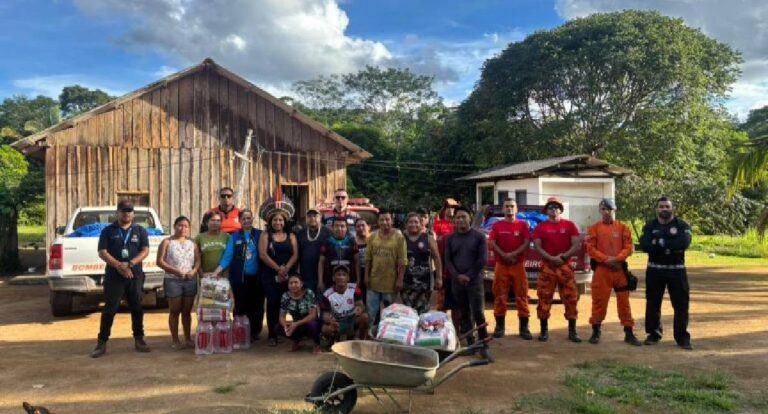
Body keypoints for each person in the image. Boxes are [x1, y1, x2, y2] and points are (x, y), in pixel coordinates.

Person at [91, 199, 151, 358]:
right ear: (117, 212)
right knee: (110, 308)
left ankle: (139, 339)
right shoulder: (108, 231)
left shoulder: (140, 230)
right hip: (114, 275)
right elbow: (102, 252)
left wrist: (130, 264)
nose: (126, 213)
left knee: (137, 307)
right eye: (123, 210)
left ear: (133, 214)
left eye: (129, 210)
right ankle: (101, 342)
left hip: (134, 274)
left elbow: (145, 251)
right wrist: (119, 266)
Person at [586, 199, 642, 346]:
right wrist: (605, 259)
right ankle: (596, 331)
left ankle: (629, 332)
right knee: (599, 302)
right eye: (603, 209)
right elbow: (590, 249)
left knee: (624, 302)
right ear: (599, 211)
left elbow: (629, 247)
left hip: (619, 270)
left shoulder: (623, 227)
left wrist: (617, 259)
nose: (606, 212)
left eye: (609, 209)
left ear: (614, 210)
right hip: (602, 270)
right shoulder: (594, 228)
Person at [640, 196, 693, 350]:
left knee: (681, 305)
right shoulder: (650, 226)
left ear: (672, 208)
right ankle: (654, 334)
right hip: (655, 270)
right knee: (653, 303)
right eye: (661, 206)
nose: (664, 209)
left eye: (667, 206)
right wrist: (669, 245)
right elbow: (645, 245)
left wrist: (659, 242)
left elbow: (683, 243)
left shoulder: (682, 225)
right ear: (657, 209)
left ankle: (682, 337)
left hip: (676, 271)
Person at [532, 196, 582, 343]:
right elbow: (537, 246)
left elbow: (576, 245)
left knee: (571, 298)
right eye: (550, 207)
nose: (553, 210)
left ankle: (572, 331)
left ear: (561, 210)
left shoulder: (570, 225)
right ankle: (543, 331)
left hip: (565, 266)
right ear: (546, 211)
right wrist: (550, 257)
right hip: (547, 267)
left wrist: (562, 257)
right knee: (544, 298)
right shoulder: (541, 227)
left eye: (556, 207)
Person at [213, 209, 263, 342]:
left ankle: (254, 332)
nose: (246, 220)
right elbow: (227, 257)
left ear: (252, 219)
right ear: (239, 221)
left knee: (257, 306)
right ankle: (240, 331)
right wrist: (216, 272)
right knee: (240, 305)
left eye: (249, 218)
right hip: (239, 278)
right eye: (244, 218)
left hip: (257, 277)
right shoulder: (234, 237)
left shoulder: (260, 234)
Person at [444, 206, 489, 346]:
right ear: (454, 221)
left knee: (478, 313)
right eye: (458, 217)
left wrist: (468, 276)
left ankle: (483, 342)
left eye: (464, 217)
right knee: (464, 314)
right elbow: (448, 260)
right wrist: (457, 276)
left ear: (470, 218)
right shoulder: (450, 238)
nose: (461, 220)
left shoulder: (479, 237)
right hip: (457, 283)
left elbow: (482, 260)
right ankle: (470, 343)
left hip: (474, 281)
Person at [488, 199, 532, 340]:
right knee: (500, 296)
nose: (509, 209)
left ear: (516, 209)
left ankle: (524, 328)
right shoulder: (497, 225)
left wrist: (512, 255)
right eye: (507, 206)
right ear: (503, 209)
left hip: (518, 265)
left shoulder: (523, 225)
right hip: (501, 265)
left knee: (522, 295)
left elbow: (526, 243)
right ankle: (499, 327)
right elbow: (492, 242)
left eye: (512, 206)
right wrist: (504, 255)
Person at [157, 216, 201, 349]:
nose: (183, 228)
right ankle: (175, 340)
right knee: (175, 310)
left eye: (186, 226)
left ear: (189, 228)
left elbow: (198, 260)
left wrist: (194, 271)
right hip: (172, 280)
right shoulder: (167, 242)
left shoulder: (193, 243)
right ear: (174, 226)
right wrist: (175, 271)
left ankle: (188, 338)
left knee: (187, 311)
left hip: (190, 280)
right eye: (180, 225)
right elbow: (160, 261)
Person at [259, 210, 299, 347]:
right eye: (275, 220)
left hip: (288, 275)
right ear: (270, 222)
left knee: (287, 303)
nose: (278, 222)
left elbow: (295, 254)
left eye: (280, 220)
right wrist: (278, 269)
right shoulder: (266, 235)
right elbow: (263, 255)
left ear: (285, 221)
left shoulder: (291, 235)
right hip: (270, 275)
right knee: (273, 302)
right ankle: (272, 334)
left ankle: (287, 331)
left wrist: (286, 268)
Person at [365, 210, 407, 334]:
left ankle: (386, 336)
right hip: (373, 282)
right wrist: (366, 276)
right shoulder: (372, 236)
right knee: (372, 313)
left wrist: (400, 279)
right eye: (382, 219)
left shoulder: (399, 237)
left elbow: (403, 261)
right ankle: (373, 336)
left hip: (391, 283)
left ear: (392, 221)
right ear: (378, 221)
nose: (384, 222)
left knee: (389, 315)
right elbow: (368, 259)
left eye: (387, 219)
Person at [402, 213, 442, 314]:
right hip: (406, 283)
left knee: (422, 311)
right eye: (410, 222)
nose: (413, 224)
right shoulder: (401, 239)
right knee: (408, 312)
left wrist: (439, 277)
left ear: (421, 224)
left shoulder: (429, 238)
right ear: (406, 224)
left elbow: (437, 258)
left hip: (425, 283)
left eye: (416, 222)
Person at [321, 265, 370, 342]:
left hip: (352, 320)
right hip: (337, 321)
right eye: (338, 274)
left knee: (364, 317)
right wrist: (330, 320)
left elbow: (360, 305)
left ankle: (361, 341)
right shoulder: (327, 294)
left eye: (344, 275)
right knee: (326, 329)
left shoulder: (355, 290)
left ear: (348, 278)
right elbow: (325, 314)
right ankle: (332, 341)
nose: (341, 277)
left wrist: (359, 309)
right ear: (333, 278)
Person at [434, 198, 461, 329]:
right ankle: (441, 330)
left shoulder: (460, 227)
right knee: (442, 304)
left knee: (458, 305)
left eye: (454, 207)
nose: (451, 210)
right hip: (445, 271)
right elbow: (436, 249)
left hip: (459, 273)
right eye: (449, 207)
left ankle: (457, 331)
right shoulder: (438, 224)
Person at [277, 274, 321, 352]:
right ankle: (296, 341)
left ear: (301, 284)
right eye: (290, 283)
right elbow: (281, 316)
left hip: (306, 321)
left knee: (312, 326)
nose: (293, 285)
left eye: (296, 282)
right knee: (278, 328)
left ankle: (316, 343)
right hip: (293, 320)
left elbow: (313, 315)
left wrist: (296, 324)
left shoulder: (309, 293)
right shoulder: (285, 296)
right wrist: (286, 327)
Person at [318, 218, 359, 293]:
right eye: (336, 226)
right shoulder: (327, 241)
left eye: (342, 226)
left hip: (349, 279)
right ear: (332, 228)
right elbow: (321, 262)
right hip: (330, 279)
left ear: (346, 228)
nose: (339, 228)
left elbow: (357, 261)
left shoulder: (351, 241)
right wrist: (320, 281)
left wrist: (358, 279)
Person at [296, 208, 331, 294]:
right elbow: (297, 254)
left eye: (315, 216)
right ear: (306, 219)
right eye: (309, 216)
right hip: (306, 275)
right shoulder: (301, 233)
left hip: (324, 276)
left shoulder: (328, 232)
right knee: (308, 302)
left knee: (322, 302)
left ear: (320, 218)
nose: (312, 218)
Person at [354, 217, 371, 302]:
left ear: (369, 227)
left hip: (372, 273)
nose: (361, 228)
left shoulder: (374, 240)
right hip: (357, 273)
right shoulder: (353, 241)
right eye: (358, 226)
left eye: (363, 225)